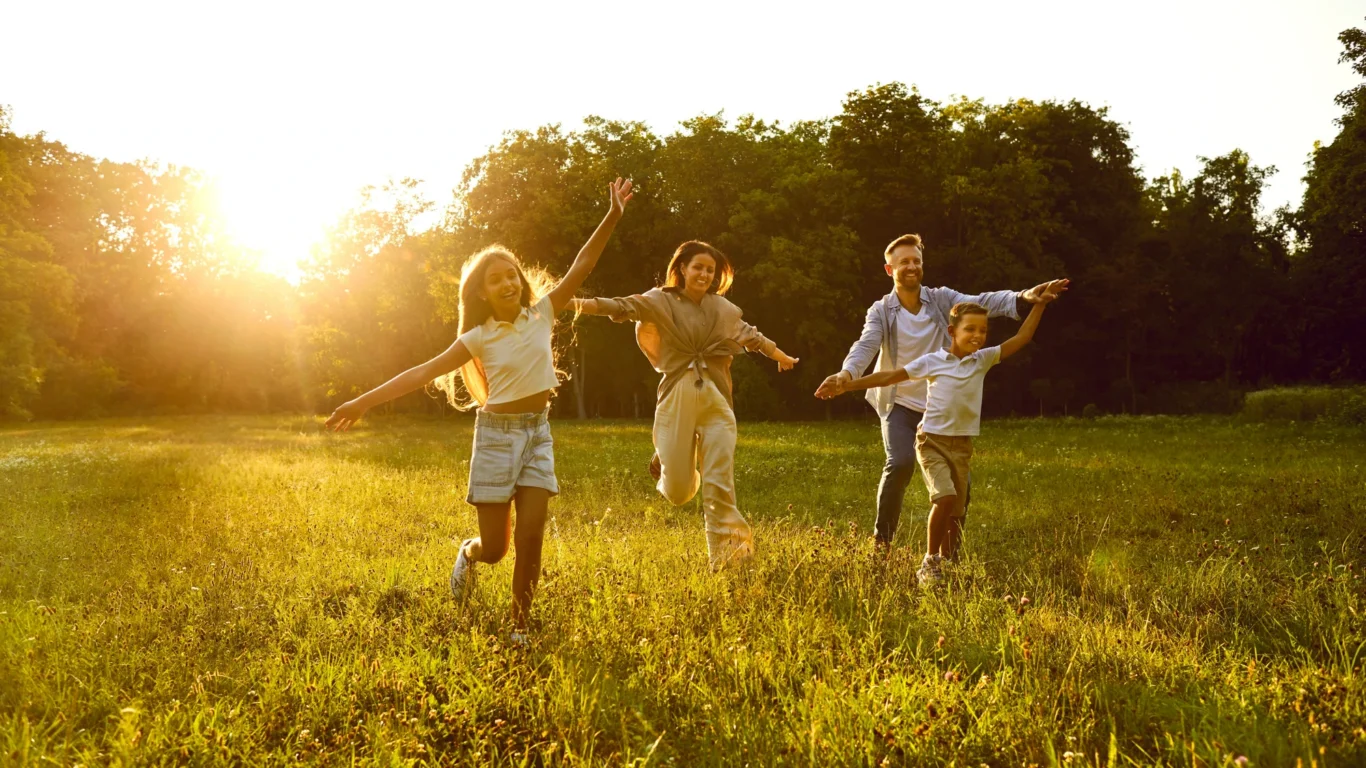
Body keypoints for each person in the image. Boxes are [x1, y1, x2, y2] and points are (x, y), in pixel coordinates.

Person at [325, 178, 634, 645]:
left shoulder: (544, 312)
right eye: (497, 279)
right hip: (494, 438)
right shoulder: (478, 337)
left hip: (537, 435)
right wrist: (361, 402)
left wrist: (613, 212)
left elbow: (583, 263)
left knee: (532, 536)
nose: (508, 281)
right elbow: (420, 372)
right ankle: (467, 557)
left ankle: (519, 627)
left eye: (512, 273)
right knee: (496, 548)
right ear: (482, 294)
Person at [815, 233, 1068, 551]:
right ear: (889, 269)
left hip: (939, 408)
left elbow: (984, 302)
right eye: (904, 261)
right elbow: (865, 345)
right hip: (900, 402)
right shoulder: (881, 311)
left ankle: (949, 554)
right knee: (901, 461)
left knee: (962, 486)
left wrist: (1026, 297)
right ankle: (882, 543)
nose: (911, 266)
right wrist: (846, 375)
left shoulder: (941, 298)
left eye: (916, 261)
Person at [575, 241, 799, 568]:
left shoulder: (722, 309)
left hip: (717, 402)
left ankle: (730, 562)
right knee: (679, 492)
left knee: (720, 484)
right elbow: (619, 306)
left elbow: (751, 336)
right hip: (677, 397)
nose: (705, 274)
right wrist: (568, 302)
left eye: (710, 270)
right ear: (683, 269)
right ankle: (670, 459)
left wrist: (781, 356)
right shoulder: (660, 300)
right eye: (698, 267)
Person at [820, 296, 1055, 585]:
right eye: (970, 329)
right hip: (931, 441)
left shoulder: (981, 360)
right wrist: (848, 385)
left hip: (962, 446)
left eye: (982, 331)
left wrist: (1040, 304)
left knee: (957, 510)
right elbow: (891, 376)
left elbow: (1023, 336)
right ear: (952, 331)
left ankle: (950, 561)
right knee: (944, 497)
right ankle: (929, 562)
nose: (978, 336)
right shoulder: (934, 361)